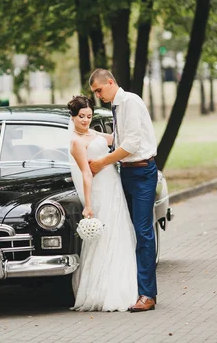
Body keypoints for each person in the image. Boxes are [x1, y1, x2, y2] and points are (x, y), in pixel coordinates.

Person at [89, 68, 158, 312]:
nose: (98, 95)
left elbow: (131, 144)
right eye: (94, 92)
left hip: (142, 173)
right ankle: (135, 288)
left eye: (99, 89)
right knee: (128, 231)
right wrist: (92, 137)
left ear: (110, 82)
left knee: (143, 231)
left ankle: (148, 295)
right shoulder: (116, 107)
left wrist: (101, 162)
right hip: (127, 173)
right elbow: (119, 139)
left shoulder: (130, 102)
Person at [67, 95, 138, 312]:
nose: (86, 120)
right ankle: (102, 291)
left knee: (119, 235)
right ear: (73, 116)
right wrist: (88, 205)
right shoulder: (76, 142)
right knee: (104, 238)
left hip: (113, 187)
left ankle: (122, 286)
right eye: (81, 116)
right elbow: (86, 174)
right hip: (99, 192)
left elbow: (115, 139)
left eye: (89, 116)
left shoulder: (92, 133)